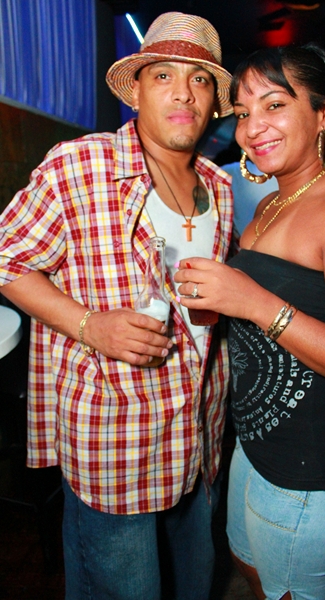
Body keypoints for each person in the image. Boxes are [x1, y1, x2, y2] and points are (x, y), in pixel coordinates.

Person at [0, 12, 235, 600]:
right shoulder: (79, 165)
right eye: (164, 76)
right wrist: (89, 325)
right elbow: (7, 259)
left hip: (199, 434)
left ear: (214, 101)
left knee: (194, 584)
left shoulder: (221, 186)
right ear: (135, 92)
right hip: (115, 442)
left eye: (200, 79)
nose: (183, 92)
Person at [174, 44, 325, 600]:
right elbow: (284, 305)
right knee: (249, 567)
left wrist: (251, 302)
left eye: (274, 105)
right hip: (257, 448)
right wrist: (222, 305)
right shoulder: (270, 203)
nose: (253, 127)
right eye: (243, 113)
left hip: (315, 469)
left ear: (323, 113)